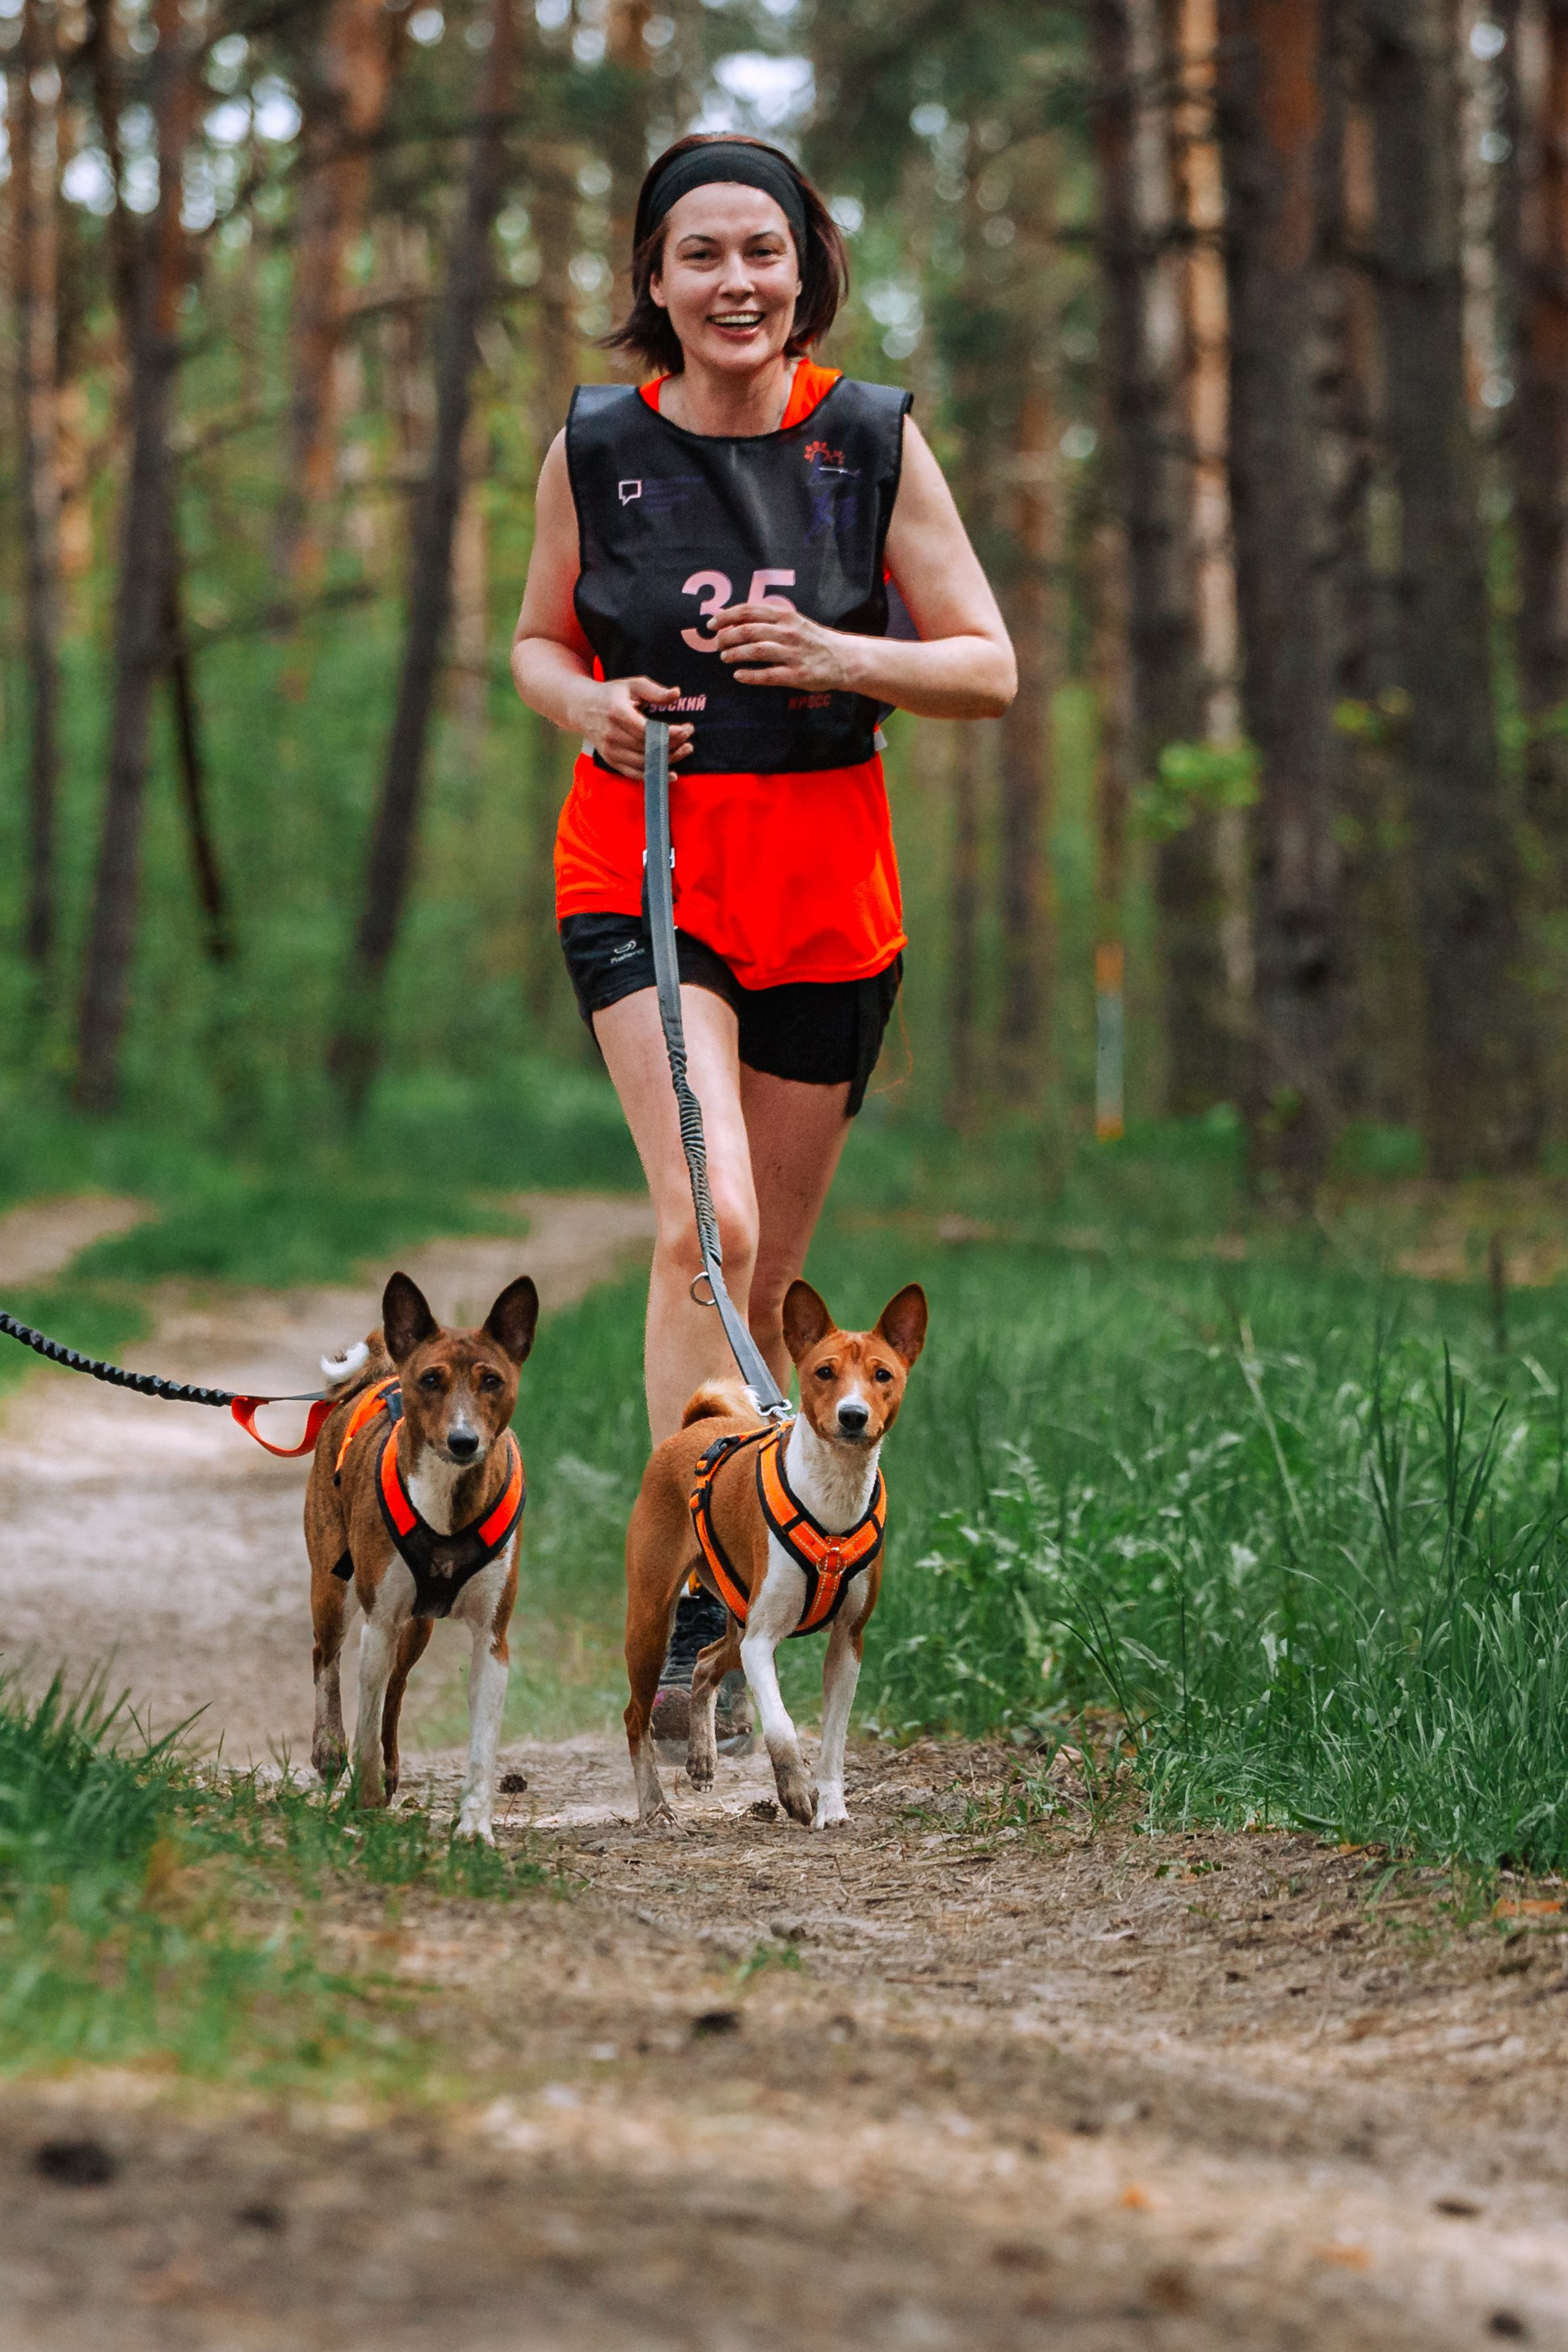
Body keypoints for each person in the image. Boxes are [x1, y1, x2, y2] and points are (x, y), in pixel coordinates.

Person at [511, 132, 1015, 1743]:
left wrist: (835, 648)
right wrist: (585, 702)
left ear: (807, 268)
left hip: (827, 901)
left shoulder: (866, 440)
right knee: (707, 1223)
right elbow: (534, 639)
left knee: (768, 1277)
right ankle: (696, 1602)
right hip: (644, 875)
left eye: (764, 252)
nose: (735, 282)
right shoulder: (596, 448)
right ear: (652, 284)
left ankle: (743, 1591)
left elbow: (988, 667)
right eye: (700, 255)